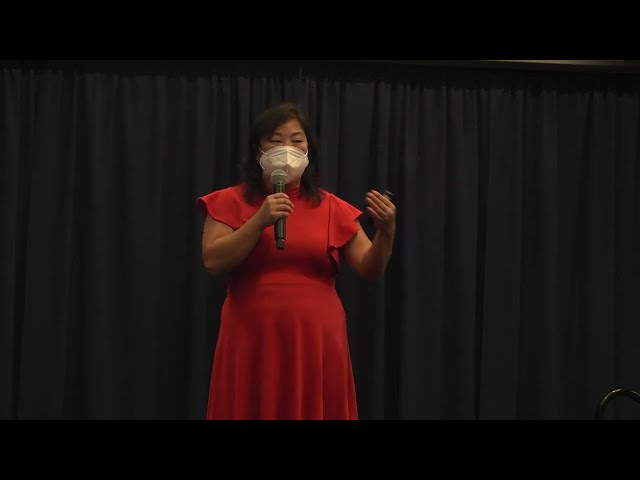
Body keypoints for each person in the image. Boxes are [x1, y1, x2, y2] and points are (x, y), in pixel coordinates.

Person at [196, 101, 396, 420]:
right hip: (251, 336)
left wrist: (386, 233)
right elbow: (213, 260)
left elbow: (370, 268)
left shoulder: (331, 207)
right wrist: (259, 221)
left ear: (309, 151)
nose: (287, 149)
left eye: (297, 140)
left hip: (316, 340)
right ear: (258, 151)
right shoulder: (229, 201)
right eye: (275, 140)